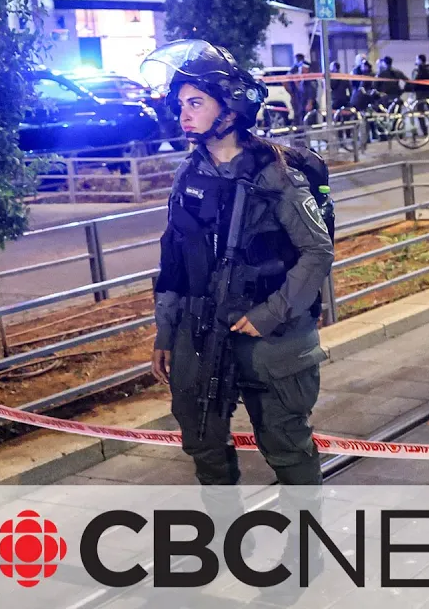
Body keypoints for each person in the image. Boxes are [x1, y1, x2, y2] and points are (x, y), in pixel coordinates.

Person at [141, 39, 333, 488]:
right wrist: (166, 332)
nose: (184, 114)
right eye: (181, 104)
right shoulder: (189, 175)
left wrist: (270, 313)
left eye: (196, 103)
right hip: (199, 331)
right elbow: (174, 260)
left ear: (229, 109)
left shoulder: (278, 174)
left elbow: (317, 252)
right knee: (203, 446)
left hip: (270, 339)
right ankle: (225, 529)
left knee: (287, 447)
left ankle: (306, 535)